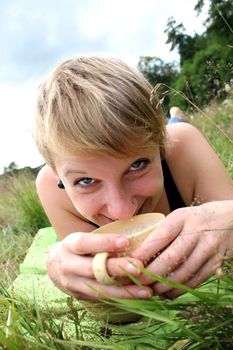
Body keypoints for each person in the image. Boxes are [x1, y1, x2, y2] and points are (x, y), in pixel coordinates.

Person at [34, 56, 233, 302]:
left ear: (160, 147)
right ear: (57, 173)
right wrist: (63, 267)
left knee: (177, 127)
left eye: (137, 165)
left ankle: (175, 117)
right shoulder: (50, 187)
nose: (122, 211)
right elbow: (113, 304)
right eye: (86, 181)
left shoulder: (183, 145)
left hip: (173, 135)